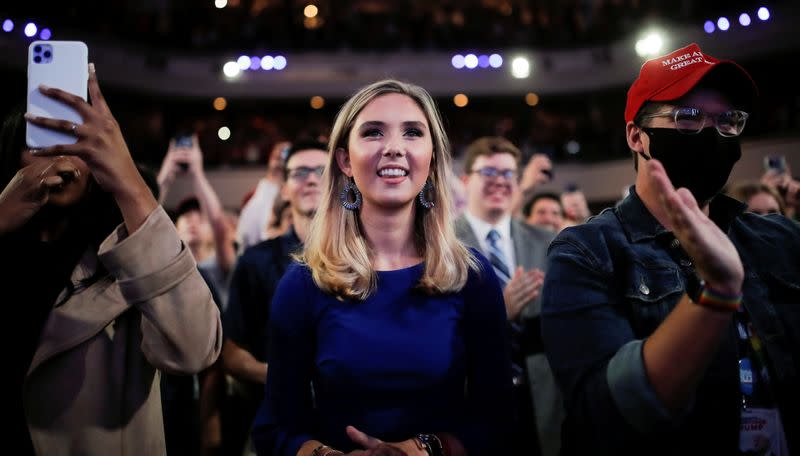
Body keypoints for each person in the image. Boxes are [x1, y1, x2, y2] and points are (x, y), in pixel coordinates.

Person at [541, 43, 800, 456]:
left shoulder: (780, 239)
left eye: (728, 120)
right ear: (636, 136)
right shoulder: (587, 252)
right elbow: (607, 415)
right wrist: (715, 293)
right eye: (688, 118)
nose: (713, 134)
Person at [252, 79, 514, 456]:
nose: (394, 148)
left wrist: (420, 449)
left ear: (432, 158)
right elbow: (275, 428)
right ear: (345, 160)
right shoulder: (303, 283)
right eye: (373, 132)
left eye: (412, 133)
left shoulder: (472, 276)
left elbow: (498, 420)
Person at [0, 63, 222, 455]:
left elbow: (195, 349)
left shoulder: (130, 257)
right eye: (40, 139)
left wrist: (126, 176)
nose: (60, 157)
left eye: (75, 141)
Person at [455, 136, 560, 456]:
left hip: (541, 397)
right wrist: (496, 314)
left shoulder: (547, 240)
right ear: (466, 180)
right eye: (489, 173)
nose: (499, 182)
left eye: (508, 174)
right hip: (470, 396)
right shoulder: (439, 244)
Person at [222, 139, 328, 456]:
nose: (311, 179)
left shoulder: (368, 258)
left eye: (322, 171)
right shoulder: (256, 260)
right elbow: (231, 353)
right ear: (283, 188)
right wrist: (291, 377)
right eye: (300, 172)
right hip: (276, 426)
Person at [236, 140, 290, 252]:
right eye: (277, 158)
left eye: (285, 158)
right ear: (270, 159)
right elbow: (245, 236)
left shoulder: (295, 199)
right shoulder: (251, 197)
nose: (281, 163)